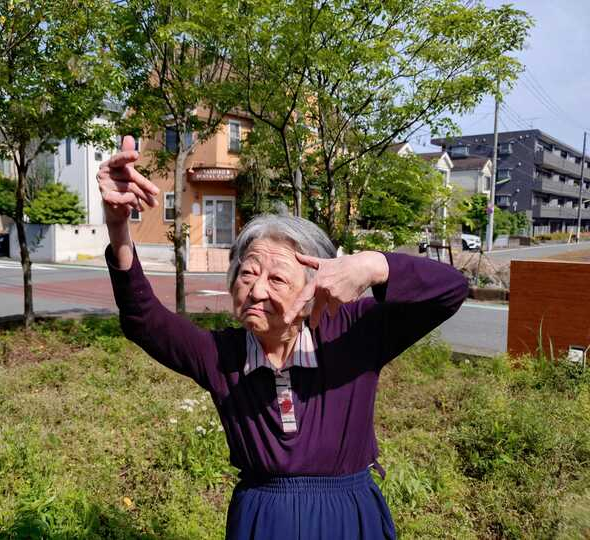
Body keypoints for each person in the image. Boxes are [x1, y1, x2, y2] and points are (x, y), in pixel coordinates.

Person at [98, 136, 469, 539]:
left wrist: (373, 265)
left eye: (276, 279)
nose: (256, 290)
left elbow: (450, 291)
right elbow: (144, 320)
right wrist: (118, 228)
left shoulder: (354, 331)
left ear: (314, 288)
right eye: (247, 272)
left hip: (348, 518)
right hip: (263, 521)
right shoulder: (222, 356)